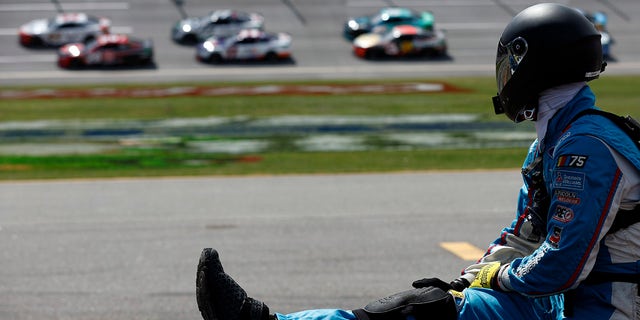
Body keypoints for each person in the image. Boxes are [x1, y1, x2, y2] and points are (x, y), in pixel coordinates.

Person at [195, 3, 640, 320]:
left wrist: (495, 278)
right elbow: (526, 235)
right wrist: (466, 283)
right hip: (568, 298)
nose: (506, 76)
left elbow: (563, 264)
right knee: (422, 308)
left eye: (513, 62)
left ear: (537, 67)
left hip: (613, 304)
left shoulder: (587, 148)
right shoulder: (555, 141)